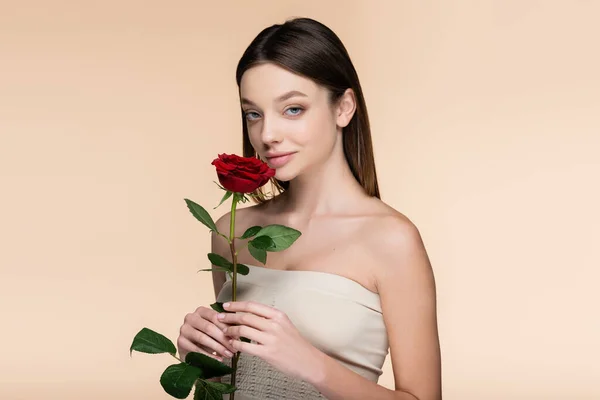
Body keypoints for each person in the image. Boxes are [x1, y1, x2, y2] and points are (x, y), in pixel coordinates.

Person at [177, 17, 441, 400]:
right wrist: (201, 360)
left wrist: (311, 364)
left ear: (344, 108)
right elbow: (233, 386)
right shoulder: (230, 231)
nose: (267, 135)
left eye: (293, 109)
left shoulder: (390, 240)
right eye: (254, 113)